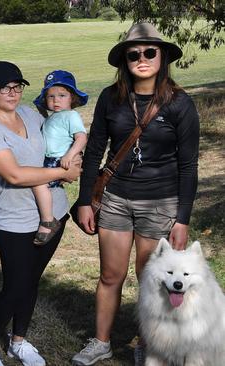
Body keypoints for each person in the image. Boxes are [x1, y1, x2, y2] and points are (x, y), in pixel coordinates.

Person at [71, 22, 199, 366]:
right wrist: (86, 200)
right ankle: (101, 342)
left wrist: (182, 218)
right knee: (110, 276)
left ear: (162, 56)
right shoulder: (111, 99)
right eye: (134, 54)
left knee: (151, 279)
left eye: (149, 52)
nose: (142, 59)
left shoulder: (179, 104)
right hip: (115, 200)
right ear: (125, 60)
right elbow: (95, 150)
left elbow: (189, 166)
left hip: (160, 204)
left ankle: (148, 344)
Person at [0, 61, 81, 366]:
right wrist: (60, 172)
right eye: (5, 87)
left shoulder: (32, 115)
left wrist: (74, 158)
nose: (12, 92)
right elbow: (16, 175)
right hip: (14, 222)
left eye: (17, 86)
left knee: (31, 281)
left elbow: (61, 139)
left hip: (54, 213)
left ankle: (18, 341)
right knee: (15, 285)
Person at [30, 70, 88, 245]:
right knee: (37, 182)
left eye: (62, 95)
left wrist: (69, 155)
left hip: (60, 159)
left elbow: (81, 137)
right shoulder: (53, 117)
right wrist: (41, 104)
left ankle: (49, 221)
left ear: (73, 98)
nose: (56, 100)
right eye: (50, 97)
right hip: (47, 159)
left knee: (38, 183)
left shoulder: (71, 116)